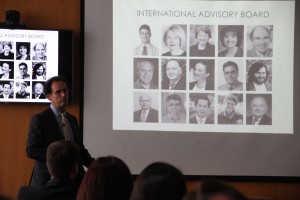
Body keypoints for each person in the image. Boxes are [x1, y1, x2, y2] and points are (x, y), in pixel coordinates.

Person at [26, 76, 94, 187]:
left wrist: (95, 166)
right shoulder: (40, 119)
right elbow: (31, 150)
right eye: (58, 92)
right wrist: (59, 158)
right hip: (47, 180)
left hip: (74, 180)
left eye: (65, 90)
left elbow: (79, 149)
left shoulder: (72, 119)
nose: (63, 94)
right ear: (49, 97)